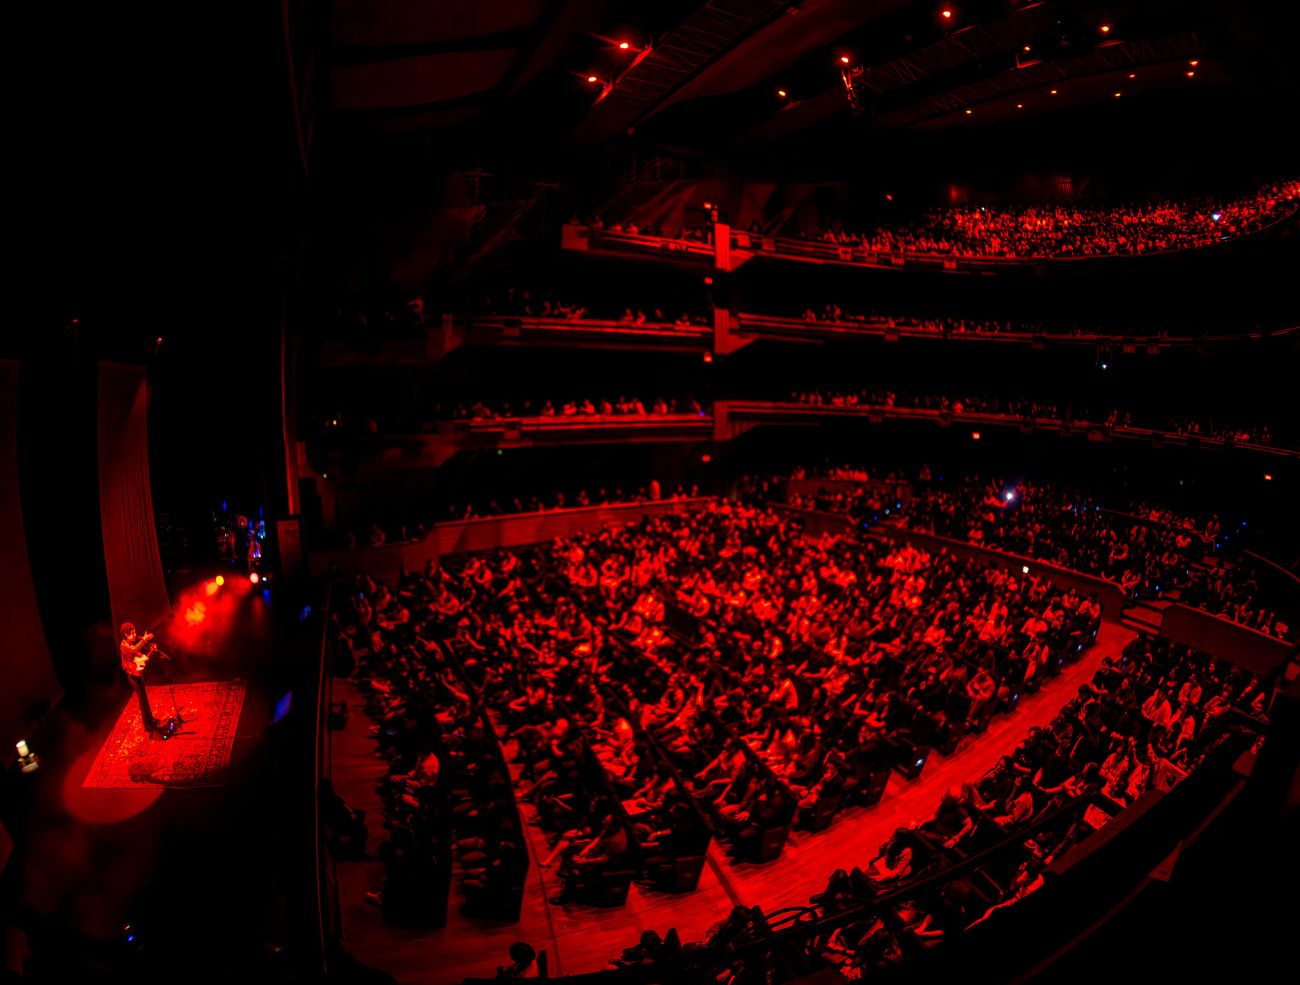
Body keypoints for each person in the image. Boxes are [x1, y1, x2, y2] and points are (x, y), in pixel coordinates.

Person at [120, 622, 162, 738]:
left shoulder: (130, 645)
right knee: (142, 700)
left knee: (144, 698)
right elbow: (133, 650)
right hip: (132, 676)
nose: (134, 635)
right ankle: (147, 725)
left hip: (137, 674)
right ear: (125, 635)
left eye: (134, 632)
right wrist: (143, 640)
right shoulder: (124, 646)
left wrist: (149, 652)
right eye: (132, 634)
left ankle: (151, 720)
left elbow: (138, 656)